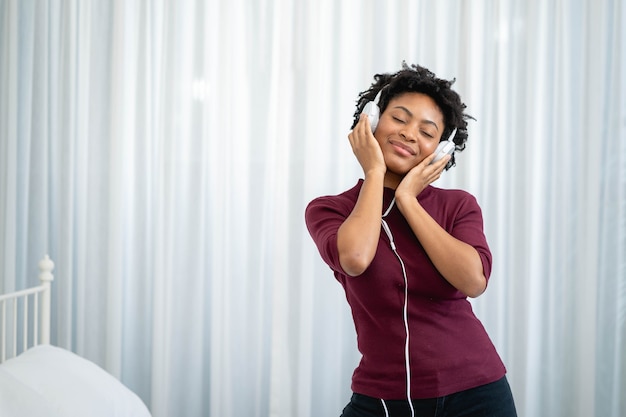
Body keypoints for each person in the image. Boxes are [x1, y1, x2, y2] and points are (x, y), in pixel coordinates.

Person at [305, 62, 517, 417]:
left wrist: (407, 199)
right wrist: (375, 172)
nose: (408, 134)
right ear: (370, 121)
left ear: (440, 150)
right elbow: (355, 258)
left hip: (477, 391)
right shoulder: (331, 209)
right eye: (399, 119)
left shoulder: (457, 205)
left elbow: (473, 280)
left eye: (427, 131)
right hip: (384, 396)